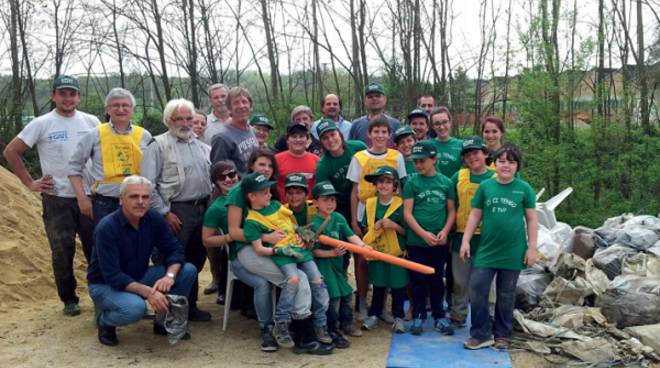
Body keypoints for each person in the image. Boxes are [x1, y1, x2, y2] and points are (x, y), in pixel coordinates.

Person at [3, 75, 100, 316]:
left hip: (89, 196)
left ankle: (100, 294)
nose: (67, 98)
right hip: (58, 198)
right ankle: (69, 299)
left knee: (96, 248)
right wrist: (29, 183)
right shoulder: (42, 123)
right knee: (62, 250)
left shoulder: (91, 121)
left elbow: (102, 155)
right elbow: (11, 151)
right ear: (53, 96)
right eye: (62, 93)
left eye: (72, 93)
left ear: (78, 96)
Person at [226, 148, 331, 354]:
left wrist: (295, 235)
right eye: (261, 165)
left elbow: (284, 221)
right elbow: (233, 232)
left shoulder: (268, 192)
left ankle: (300, 331)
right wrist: (266, 238)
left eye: (269, 166)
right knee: (298, 278)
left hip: (277, 247)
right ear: (251, 166)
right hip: (249, 249)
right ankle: (291, 332)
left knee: (305, 277)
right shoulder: (240, 191)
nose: (266, 169)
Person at [87, 175, 197, 346]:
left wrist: (169, 276)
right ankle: (105, 321)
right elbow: (113, 276)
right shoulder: (107, 227)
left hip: (138, 275)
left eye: (145, 197)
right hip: (105, 285)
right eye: (134, 196)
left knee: (187, 270)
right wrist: (150, 292)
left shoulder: (153, 219)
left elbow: (175, 250)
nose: (140, 201)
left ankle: (163, 322)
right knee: (136, 309)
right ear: (121, 200)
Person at [141, 99, 213, 322]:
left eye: (189, 118)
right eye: (179, 119)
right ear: (168, 120)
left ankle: (189, 307)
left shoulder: (200, 146)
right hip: (175, 211)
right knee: (172, 261)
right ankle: (165, 316)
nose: (185, 123)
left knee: (196, 260)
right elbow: (147, 184)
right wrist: (164, 213)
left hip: (202, 208)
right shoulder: (157, 145)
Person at [460, 144, 537, 351]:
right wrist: (466, 240)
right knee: (476, 288)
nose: (506, 166)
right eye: (502, 161)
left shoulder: (525, 189)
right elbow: (475, 214)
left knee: (506, 294)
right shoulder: (486, 186)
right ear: (494, 163)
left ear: (517, 166)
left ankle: (502, 334)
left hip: (513, 251)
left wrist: (532, 248)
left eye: (511, 162)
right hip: (487, 250)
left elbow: (531, 220)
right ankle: (481, 334)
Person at [347, 117, 407, 320]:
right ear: (369, 134)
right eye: (376, 132)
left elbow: (401, 187)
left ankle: (383, 306)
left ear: (389, 135)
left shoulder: (396, 156)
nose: (380, 135)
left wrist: (398, 216)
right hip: (367, 213)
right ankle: (364, 301)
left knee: (390, 257)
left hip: (390, 213)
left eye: (384, 132)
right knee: (365, 259)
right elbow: (354, 191)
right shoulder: (359, 157)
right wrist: (355, 221)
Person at [68, 87, 152, 225]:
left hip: (139, 202)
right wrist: (82, 198)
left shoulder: (144, 135)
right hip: (104, 203)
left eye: (125, 105)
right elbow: (74, 167)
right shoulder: (94, 134)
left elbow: (154, 169)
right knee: (107, 243)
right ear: (107, 109)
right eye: (115, 105)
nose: (121, 109)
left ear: (132, 109)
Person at [403, 141, 456, 335]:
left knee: (436, 279)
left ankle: (439, 315)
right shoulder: (412, 182)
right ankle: (418, 316)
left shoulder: (446, 182)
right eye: (415, 162)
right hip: (417, 241)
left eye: (423, 161)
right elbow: (407, 213)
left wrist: (445, 230)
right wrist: (423, 234)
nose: (418, 166)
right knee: (417, 280)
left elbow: (451, 211)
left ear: (434, 159)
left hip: (439, 242)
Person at [310, 181, 370, 348]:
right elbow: (313, 251)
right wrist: (331, 253)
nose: (330, 204)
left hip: (338, 267)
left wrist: (363, 246)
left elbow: (351, 236)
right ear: (315, 203)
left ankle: (347, 323)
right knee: (333, 298)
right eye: (325, 200)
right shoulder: (314, 224)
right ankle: (332, 328)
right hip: (324, 267)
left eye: (333, 200)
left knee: (346, 294)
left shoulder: (339, 217)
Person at [449, 137, 495, 330]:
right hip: (462, 235)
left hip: (489, 238)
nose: (472, 157)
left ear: (485, 153)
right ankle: (458, 315)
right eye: (468, 155)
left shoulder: (497, 176)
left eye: (476, 152)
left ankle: (490, 316)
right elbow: (451, 207)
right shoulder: (458, 177)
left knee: (488, 282)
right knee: (460, 280)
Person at [360, 167, 408, 334]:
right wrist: (374, 228)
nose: (384, 185)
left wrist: (394, 226)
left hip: (396, 253)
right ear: (375, 184)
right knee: (378, 284)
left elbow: (406, 231)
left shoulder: (401, 204)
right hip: (378, 252)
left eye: (388, 182)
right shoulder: (371, 204)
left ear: (395, 185)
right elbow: (366, 228)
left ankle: (398, 317)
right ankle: (374, 314)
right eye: (380, 181)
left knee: (398, 286)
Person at [201, 161, 239, 304]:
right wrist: (230, 236)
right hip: (234, 250)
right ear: (215, 182)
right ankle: (220, 285)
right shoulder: (216, 206)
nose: (228, 179)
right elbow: (207, 240)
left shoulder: (249, 195)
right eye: (222, 177)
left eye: (231, 174)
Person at [210, 87, 259, 176]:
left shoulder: (252, 131)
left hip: (255, 186)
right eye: (236, 103)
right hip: (237, 188)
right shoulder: (222, 138)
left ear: (250, 107)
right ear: (229, 109)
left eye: (244, 102)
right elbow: (218, 174)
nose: (241, 106)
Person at [275, 123, 320, 202]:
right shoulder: (276, 160)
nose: (298, 140)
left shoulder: (317, 161)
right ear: (287, 140)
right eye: (294, 136)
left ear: (307, 140)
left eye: (301, 136)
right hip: (283, 210)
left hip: (309, 209)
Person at [429, 106, 463, 179]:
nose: (441, 127)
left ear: (450, 122)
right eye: (437, 124)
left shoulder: (461, 145)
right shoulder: (427, 146)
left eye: (445, 122)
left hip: (456, 188)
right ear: (432, 126)